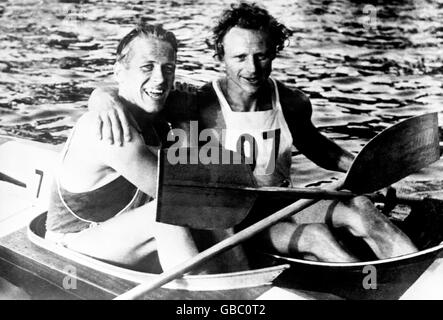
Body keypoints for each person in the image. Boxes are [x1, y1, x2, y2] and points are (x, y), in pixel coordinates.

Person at [89, 3, 417, 262]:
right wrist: (100, 96)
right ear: (221, 57)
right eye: (240, 58)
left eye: (261, 56)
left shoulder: (290, 101)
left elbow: (319, 148)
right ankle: (360, 289)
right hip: (236, 217)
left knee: (361, 206)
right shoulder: (194, 102)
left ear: (274, 52)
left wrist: (368, 171)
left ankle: (414, 270)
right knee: (319, 236)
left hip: (284, 203)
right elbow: (142, 94)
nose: (251, 69)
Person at [46, 23, 247, 272]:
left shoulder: (157, 120)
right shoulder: (106, 127)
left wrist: (187, 121)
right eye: (147, 67)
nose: (160, 79)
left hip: (121, 236)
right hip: (70, 248)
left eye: (168, 69)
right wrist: (186, 122)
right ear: (119, 72)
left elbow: (209, 175)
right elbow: (183, 198)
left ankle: (234, 278)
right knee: (167, 214)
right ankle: (207, 295)